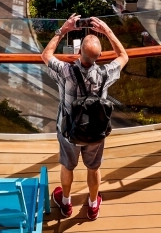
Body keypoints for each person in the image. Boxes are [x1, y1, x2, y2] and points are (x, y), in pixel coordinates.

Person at [42, 15, 129, 221]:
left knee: (67, 166)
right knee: (94, 168)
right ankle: (92, 205)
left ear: (79, 52)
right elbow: (124, 56)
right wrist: (107, 31)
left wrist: (63, 30)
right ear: (98, 57)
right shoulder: (105, 74)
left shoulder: (67, 72)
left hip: (69, 132)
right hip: (95, 132)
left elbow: (45, 55)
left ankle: (66, 202)